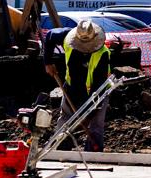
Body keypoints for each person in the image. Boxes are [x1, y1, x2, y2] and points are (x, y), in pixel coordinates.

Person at [42, 20, 110, 152]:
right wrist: (48, 62)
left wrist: (89, 114)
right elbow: (50, 35)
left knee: (96, 123)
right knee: (66, 119)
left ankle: (93, 153)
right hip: (72, 87)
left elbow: (99, 86)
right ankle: (60, 147)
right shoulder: (68, 36)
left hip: (96, 93)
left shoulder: (102, 54)